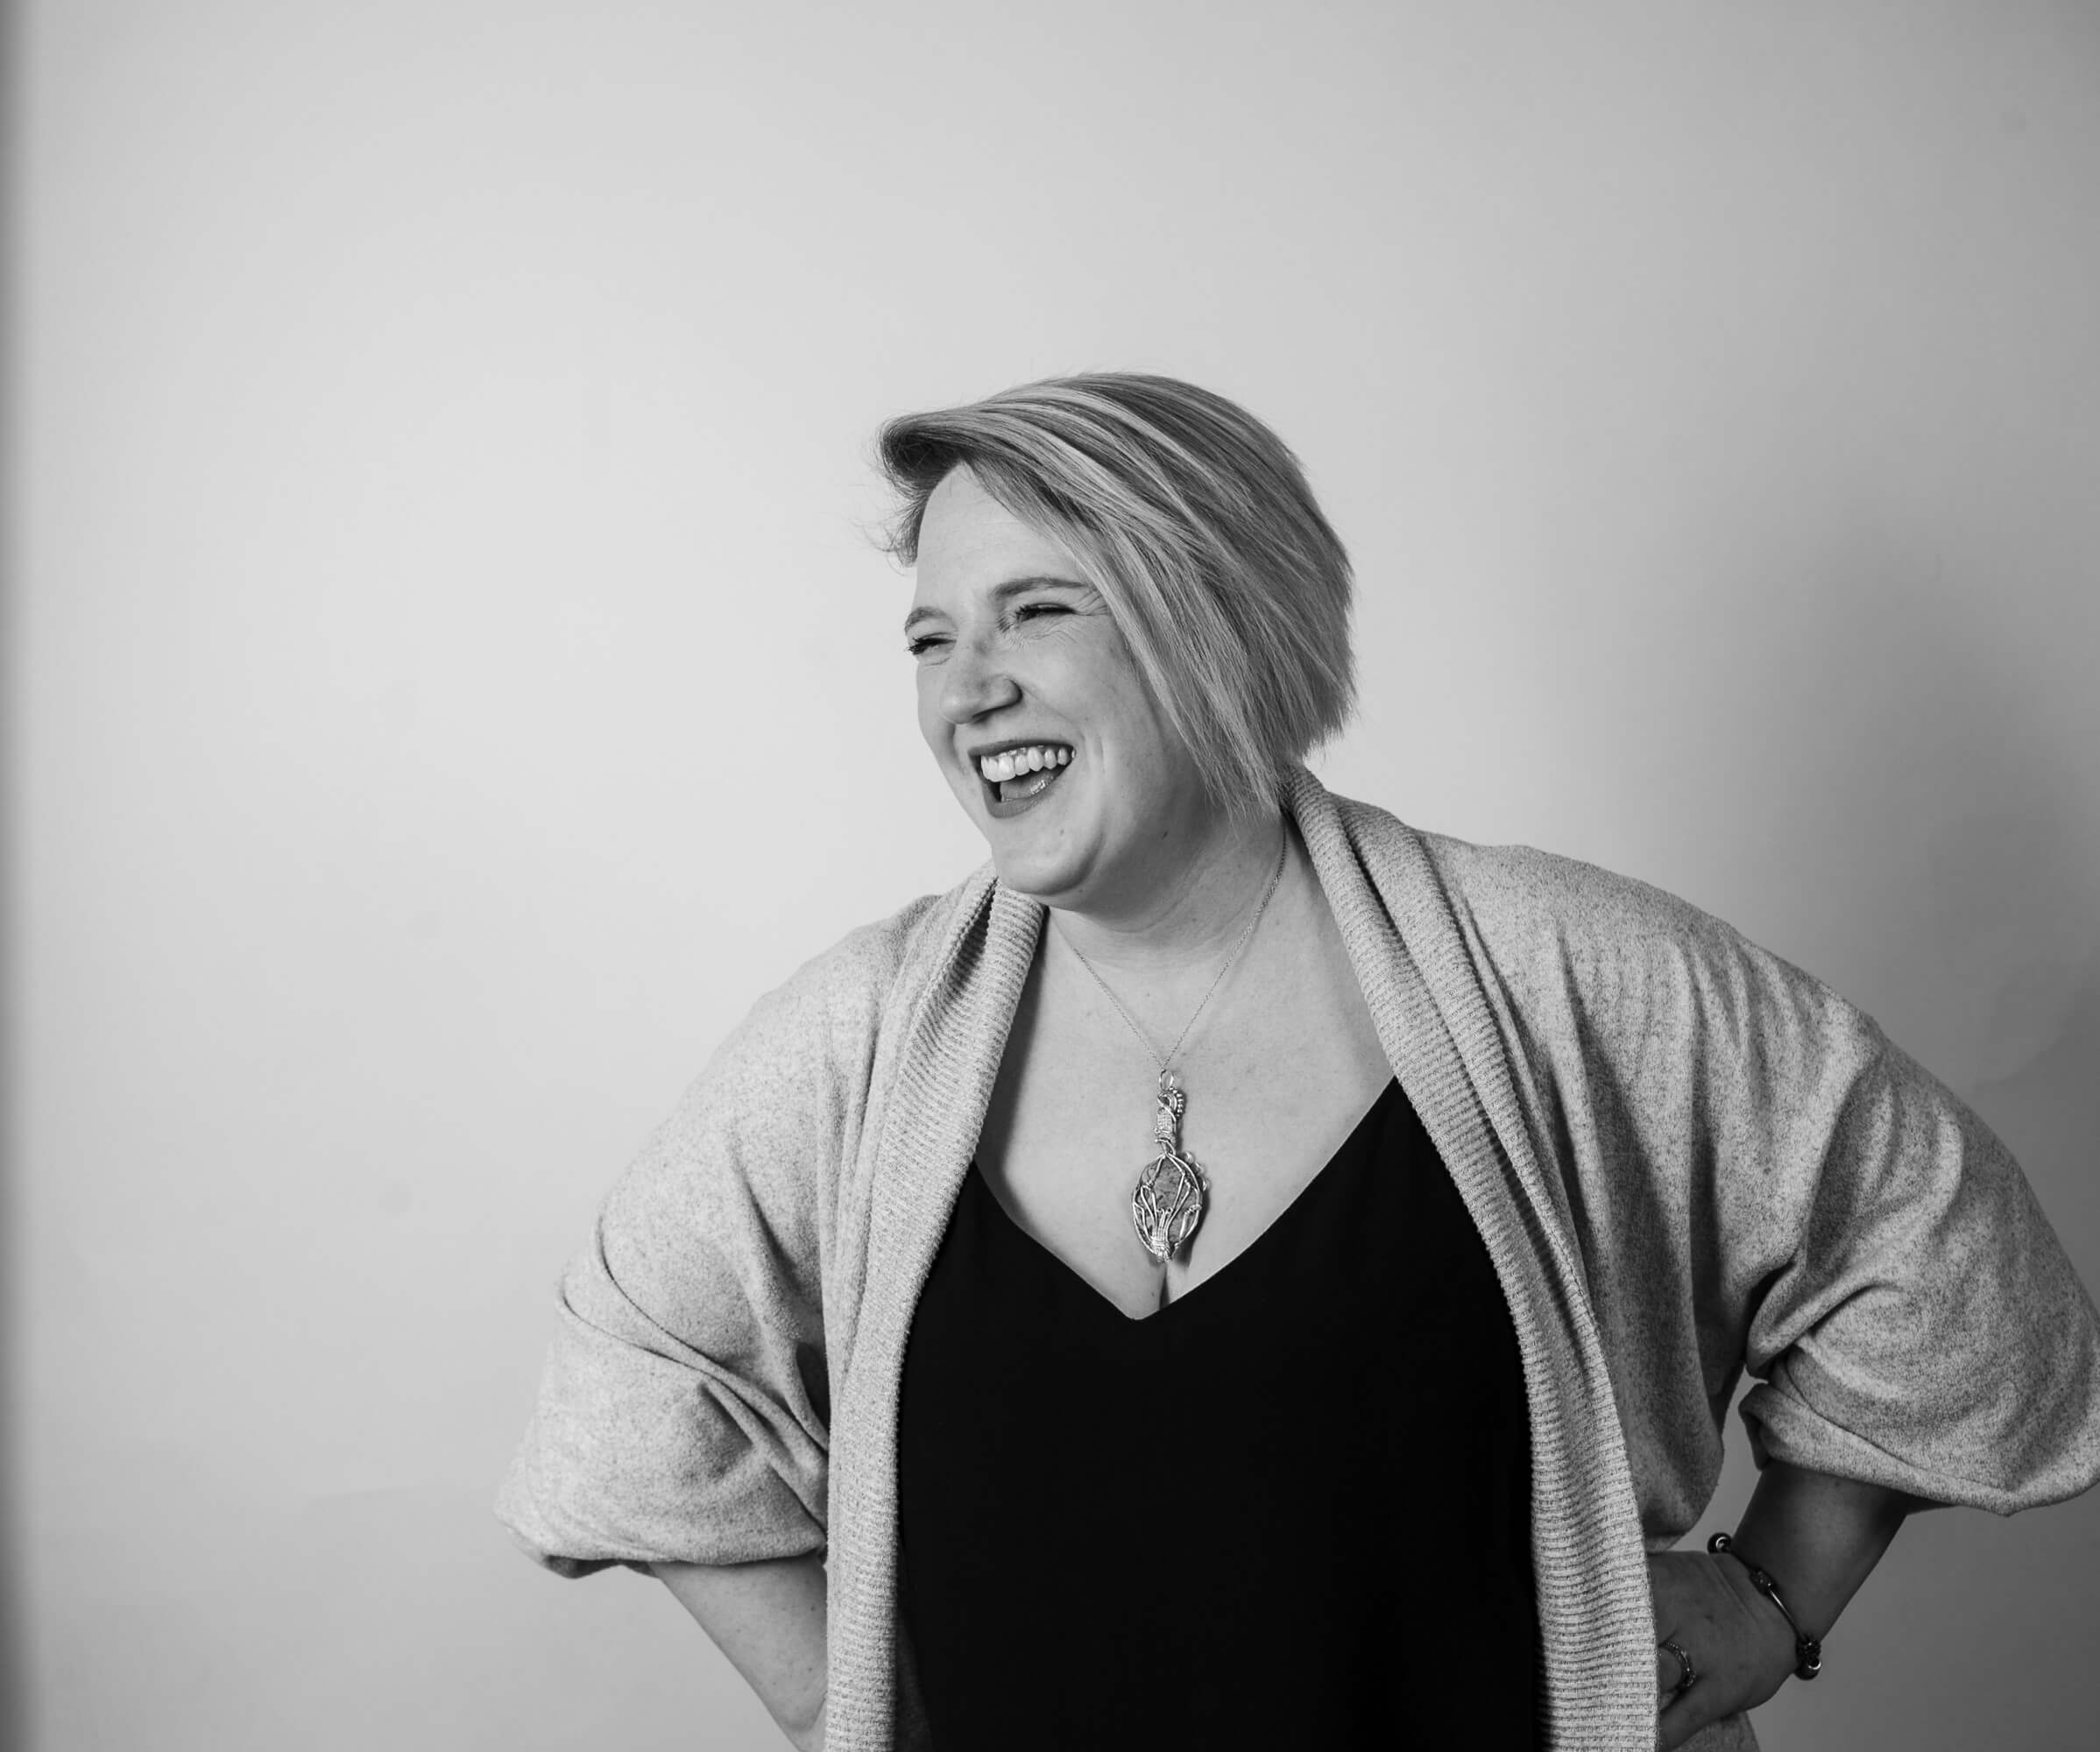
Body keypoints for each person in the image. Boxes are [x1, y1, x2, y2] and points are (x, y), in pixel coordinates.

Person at [496, 373, 2100, 1751]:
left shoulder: (1557, 968)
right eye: (930, 639)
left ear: (1221, 623)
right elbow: (627, 1379)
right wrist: (851, 1708)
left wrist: (1772, 1594)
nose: (966, 689)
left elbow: (1943, 1254)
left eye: (1036, 611)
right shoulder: (860, 1039)